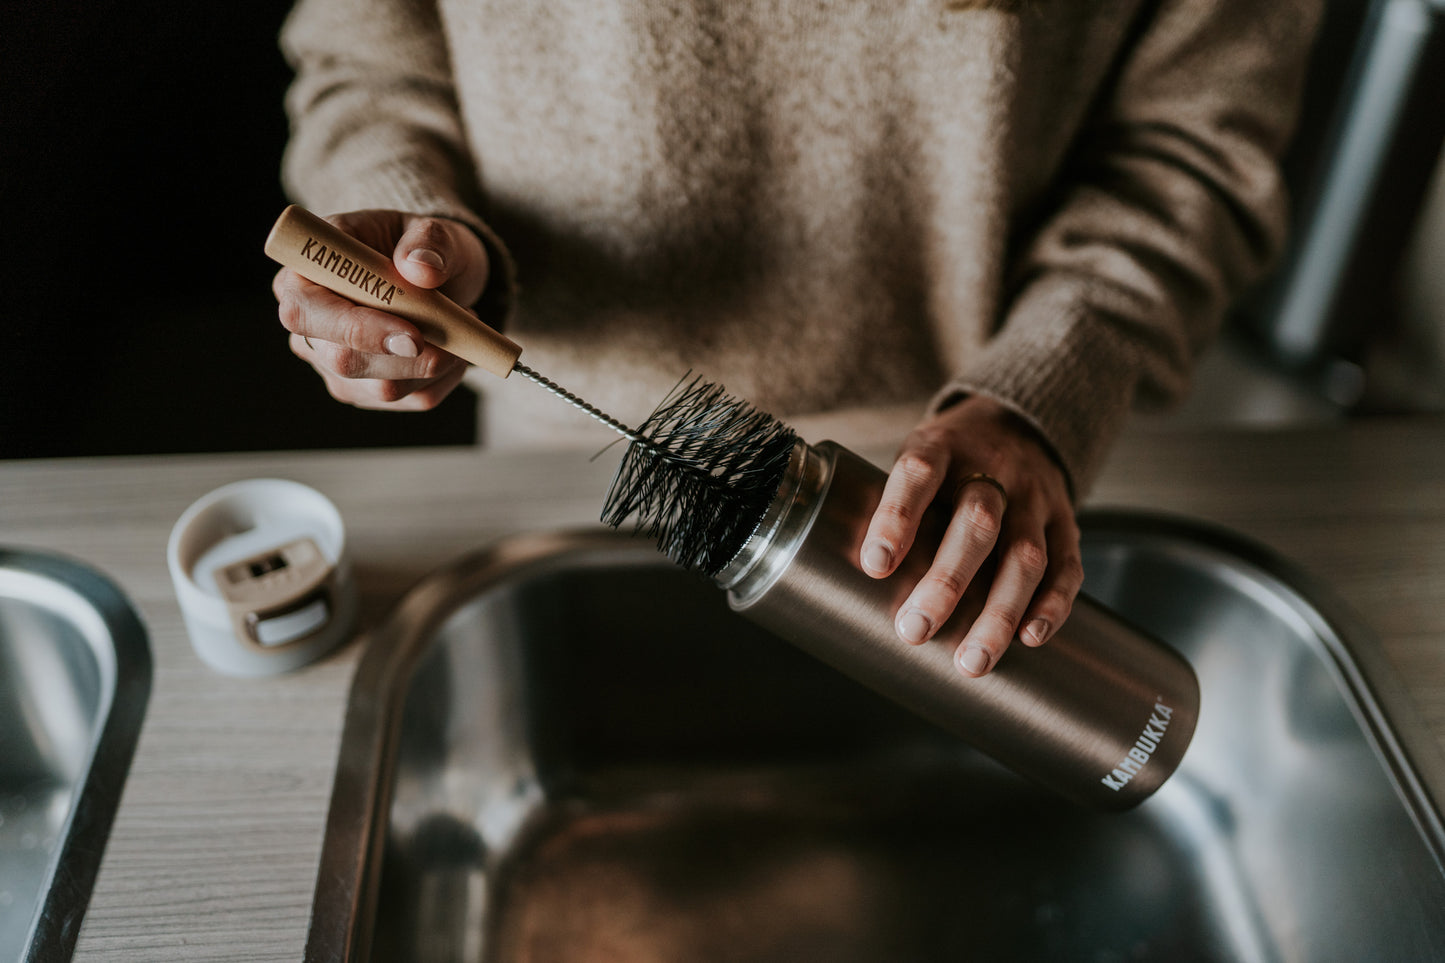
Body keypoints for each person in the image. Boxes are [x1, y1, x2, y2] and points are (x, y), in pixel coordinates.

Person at [272, 0, 1320, 677]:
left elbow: (1194, 151)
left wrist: (1041, 390)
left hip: (952, 482)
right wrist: (413, 225)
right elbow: (364, 61)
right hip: (559, 450)